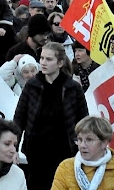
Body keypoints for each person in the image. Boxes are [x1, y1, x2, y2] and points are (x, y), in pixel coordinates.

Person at [13, 42, 88, 190]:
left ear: (60, 63)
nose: (43, 63)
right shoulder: (32, 85)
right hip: (36, 150)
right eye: (41, 58)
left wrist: (82, 146)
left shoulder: (72, 88)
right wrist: (14, 147)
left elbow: (83, 121)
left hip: (64, 150)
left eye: (48, 59)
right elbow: (19, 118)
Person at [52, 116, 114, 189]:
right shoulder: (65, 167)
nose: (82, 145)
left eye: (89, 140)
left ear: (104, 142)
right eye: (80, 139)